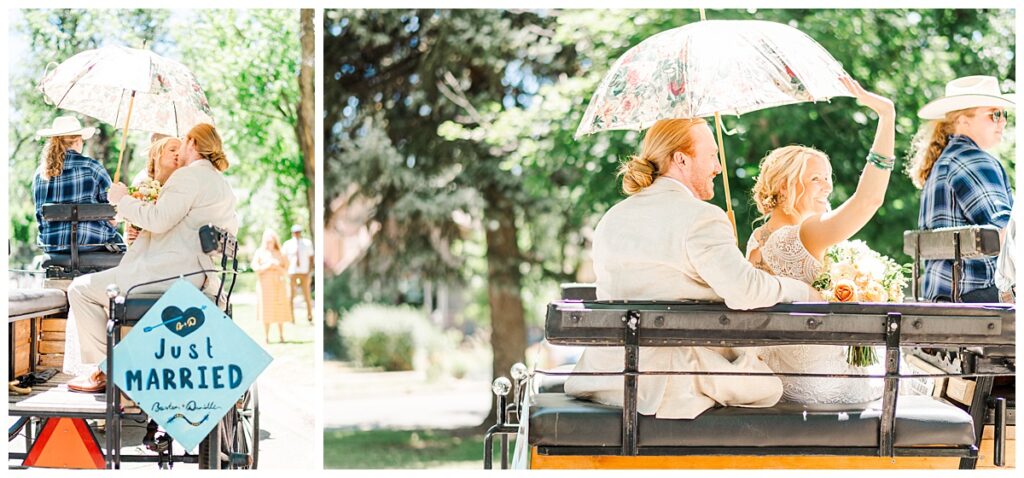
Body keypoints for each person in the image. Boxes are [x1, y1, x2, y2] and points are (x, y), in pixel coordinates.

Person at [563, 118, 820, 419]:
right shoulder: (701, 217)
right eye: (712, 155)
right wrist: (800, 289)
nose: (718, 167)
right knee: (770, 388)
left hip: (606, 375)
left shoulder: (612, 217)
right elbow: (746, 291)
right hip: (665, 383)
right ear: (681, 159)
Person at [747, 77, 896, 404]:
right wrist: (887, 117)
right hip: (823, 385)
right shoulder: (802, 233)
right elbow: (868, 200)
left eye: (828, 179)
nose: (827, 187)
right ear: (785, 186)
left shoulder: (757, 238)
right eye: (816, 179)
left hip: (786, 379)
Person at [65, 123, 238, 393]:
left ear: (192, 143)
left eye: (182, 141)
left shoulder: (188, 177)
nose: (179, 147)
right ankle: (115, 368)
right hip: (202, 276)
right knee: (100, 289)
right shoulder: (222, 185)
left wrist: (121, 200)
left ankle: (108, 370)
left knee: (80, 289)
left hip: (166, 275)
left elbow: (159, 220)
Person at [908, 75, 1015, 303]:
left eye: (1004, 114)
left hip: (943, 298)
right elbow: (1010, 236)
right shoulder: (973, 161)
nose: (1003, 121)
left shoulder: (942, 163)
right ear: (963, 120)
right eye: (994, 114)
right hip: (981, 299)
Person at [32, 115, 122, 252]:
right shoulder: (92, 167)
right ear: (78, 141)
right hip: (90, 243)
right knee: (119, 243)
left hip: (52, 245)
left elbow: (40, 215)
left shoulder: (40, 173)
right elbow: (112, 212)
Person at [126, 136, 182, 244]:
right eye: (172, 150)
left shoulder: (182, 188)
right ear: (155, 154)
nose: (178, 153)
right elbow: (128, 227)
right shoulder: (140, 186)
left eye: (181, 151)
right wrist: (131, 235)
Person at [253, 229, 292, 342]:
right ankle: (266, 336)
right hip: (265, 287)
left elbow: (286, 270)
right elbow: (256, 269)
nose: (270, 243)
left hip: (279, 284)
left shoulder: (281, 253)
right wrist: (268, 266)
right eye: (268, 241)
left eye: (272, 241)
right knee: (266, 310)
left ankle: (281, 335)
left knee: (279, 308)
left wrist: (277, 267)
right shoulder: (259, 252)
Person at [282, 224, 314, 323]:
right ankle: (292, 318)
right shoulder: (287, 244)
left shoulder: (307, 243)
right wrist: (286, 271)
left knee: (307, 295)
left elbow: (311, 258)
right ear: (292, 233)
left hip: (304, 272)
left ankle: (309, 315)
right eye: (295, 232)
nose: (297, 234)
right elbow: (284, 259)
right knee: (291, 296)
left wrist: (310, 271)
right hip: (292, 272)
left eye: (298, 232)